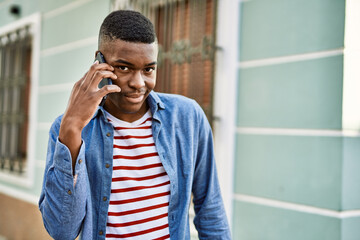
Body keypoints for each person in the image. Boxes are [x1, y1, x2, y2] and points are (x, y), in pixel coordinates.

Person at [39, 10, 231, 240]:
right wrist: (71, 129)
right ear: (99, 62)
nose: (138, 83)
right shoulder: (69, 129)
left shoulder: (187, 117)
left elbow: (210, 207)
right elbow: (62, 231)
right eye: (124, 68)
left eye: (148, 69)